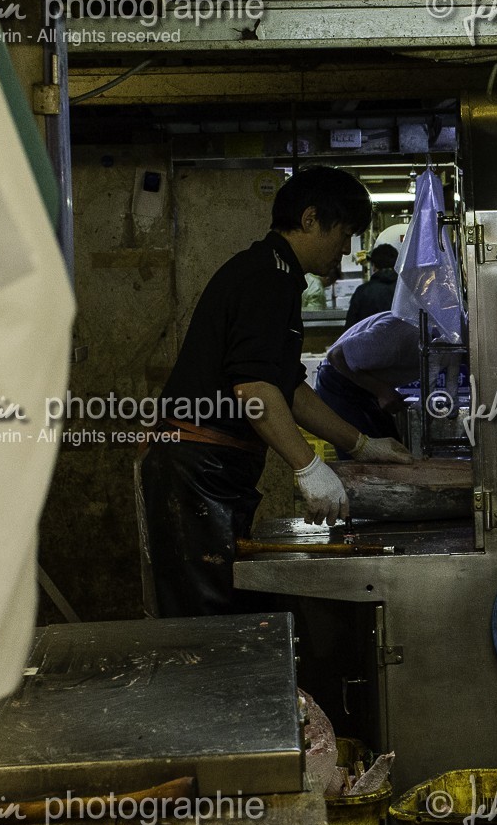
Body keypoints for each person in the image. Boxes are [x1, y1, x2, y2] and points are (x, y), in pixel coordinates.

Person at [140, 166, 413, 617]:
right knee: (204, 617)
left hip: (212, 471)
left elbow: (287, 387)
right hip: (195, 473)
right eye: (343, 234)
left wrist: (362, 444)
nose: (345, 249)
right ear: (310, 219)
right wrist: (307, 467)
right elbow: (255, 389)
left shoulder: (277, 275)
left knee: (220, 605)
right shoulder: (265, 277)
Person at [315, 310, 423, 453]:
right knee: (367, 453)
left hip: (364, 385)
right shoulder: (397, 334)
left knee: (393, 449)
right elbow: (336, 356)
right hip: (338, 380)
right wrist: (382, 391)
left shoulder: (437, 337)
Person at [345, 244, 399, 326]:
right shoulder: (404, 289)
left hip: (369, 338)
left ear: (374, 266)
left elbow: (351, 328)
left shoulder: (362, 291)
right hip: (400, 338)